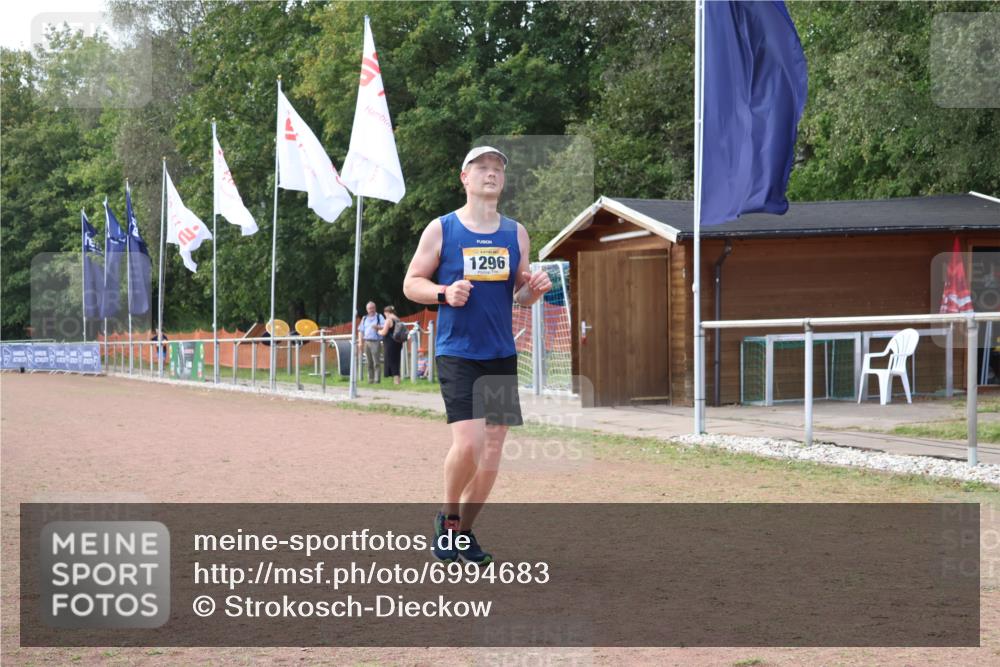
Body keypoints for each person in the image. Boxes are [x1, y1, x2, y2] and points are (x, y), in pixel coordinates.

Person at [403, 146, 552, 565]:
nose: (491, 173)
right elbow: (411, 283)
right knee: (468, 443)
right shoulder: (442, 229)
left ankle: (465, 533)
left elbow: (520, 296)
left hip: (501, 353)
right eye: (482, 167)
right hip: (459, 352)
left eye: (497, 168)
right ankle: (447, 520)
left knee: (493, 447)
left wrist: (534, 292)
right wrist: (443, 293)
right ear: (464, 178)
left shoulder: (515, 233)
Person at [358, 301, 385, 383]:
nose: (371, 310)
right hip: (366, 341)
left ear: (375, 308)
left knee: (376, 362)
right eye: (370, 308)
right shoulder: (364, 318)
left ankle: (377, 380)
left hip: (376, 341)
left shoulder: (379, 316)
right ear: (367, 310)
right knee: (368, 362)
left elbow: (385, 326)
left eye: (373, 308)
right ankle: (370, 379)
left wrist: (377, 327)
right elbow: (360, 330)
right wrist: (360, 342)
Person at [379, 305, 404, 385]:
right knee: (396, 361)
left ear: (386, 312)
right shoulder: (397, 319)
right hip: (398, 343)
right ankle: (397, 380)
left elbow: (384, 332)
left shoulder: (389, 320)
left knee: (392, 361)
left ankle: (396, 381)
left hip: (390, 343)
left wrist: (379, 331)